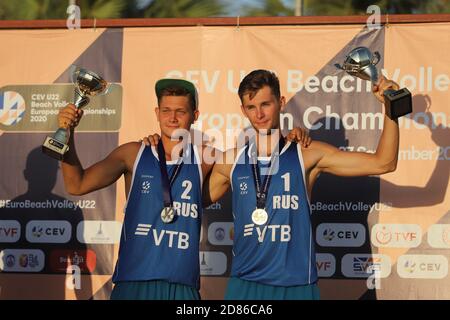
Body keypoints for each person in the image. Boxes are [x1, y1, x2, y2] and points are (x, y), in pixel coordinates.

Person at [201, 69, 401, 300]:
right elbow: (191, 201)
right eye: (251, 107)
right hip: (245, 284)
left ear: (281, 103)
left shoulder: (306, 153)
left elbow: (384, 162)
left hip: (296, 286)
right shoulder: (230, 161)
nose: (259, 114)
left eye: (266, 104)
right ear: (243, 110)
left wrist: (391, 108)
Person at [58, 78, 209, 300]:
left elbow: (250, 160)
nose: (172, 118)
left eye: (181, 111)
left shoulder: (205, 159)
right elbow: (76, 184)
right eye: (166, 110)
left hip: (182, 288)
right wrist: (66, 132)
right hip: (133, 286)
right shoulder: (133, 153)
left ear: (195, 116)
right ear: (157, 113)